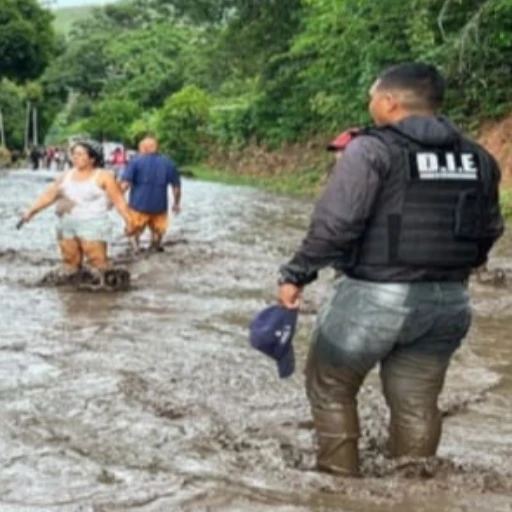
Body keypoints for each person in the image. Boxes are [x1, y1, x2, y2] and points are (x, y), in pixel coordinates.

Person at [277, 63, 504, 477]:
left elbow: (336, 224)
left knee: (331, 387)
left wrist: (297, 274)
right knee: (417, 402)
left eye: (371, 96)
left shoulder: (370, 149)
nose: (369, 104)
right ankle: (413, 492)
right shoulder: (480, 158)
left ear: (389, 101)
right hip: (450, 302)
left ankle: (338, 489)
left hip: (374, 296)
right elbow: (490, 230)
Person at [18, 139, 134, 273]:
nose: (75, 157)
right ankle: (70, 293)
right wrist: (30, 213)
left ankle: (105, 291)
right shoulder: (65, 176)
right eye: (74, 154)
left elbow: (119, 200)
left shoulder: (104, 176)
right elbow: (48, 196)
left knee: (98, 263)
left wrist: (129, 220)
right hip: (67, 224)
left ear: (92, 159)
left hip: (93, 224)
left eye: (80, 154)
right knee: (69, 264)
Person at [120, 136, 181, 253]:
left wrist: (116, 199)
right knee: (158, 230)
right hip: (159, 206)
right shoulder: (169, 163)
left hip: (138, 206)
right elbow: (176, 187)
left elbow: (125, 185)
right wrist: (176, 203)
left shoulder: (135, 162)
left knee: (134, 231)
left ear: (145, 148)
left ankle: (135, 248)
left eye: (140, 148)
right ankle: (155, 245)